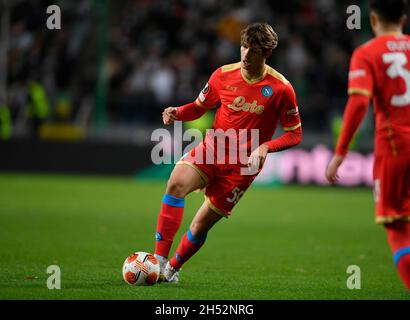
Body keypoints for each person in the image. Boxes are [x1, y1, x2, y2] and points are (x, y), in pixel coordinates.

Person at [154, 22, 302, 282]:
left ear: (265, 54)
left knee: (200, 225)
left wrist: (266, 147)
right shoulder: (222, 74)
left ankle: (173, 268)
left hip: (243, 167)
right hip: (213, 149)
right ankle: (158, 261)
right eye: (243, 47)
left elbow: (295, 133)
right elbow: (199, 107)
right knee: (175, 184)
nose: (245, 55)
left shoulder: (281, 89)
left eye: (253, 50)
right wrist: (178, 112)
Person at [326, 0, 410, 290]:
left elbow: (359, 101)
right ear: (404, 18)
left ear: (372, 19)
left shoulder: (366, 53)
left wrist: (340, 153)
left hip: (396, 147)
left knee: (397, 227)